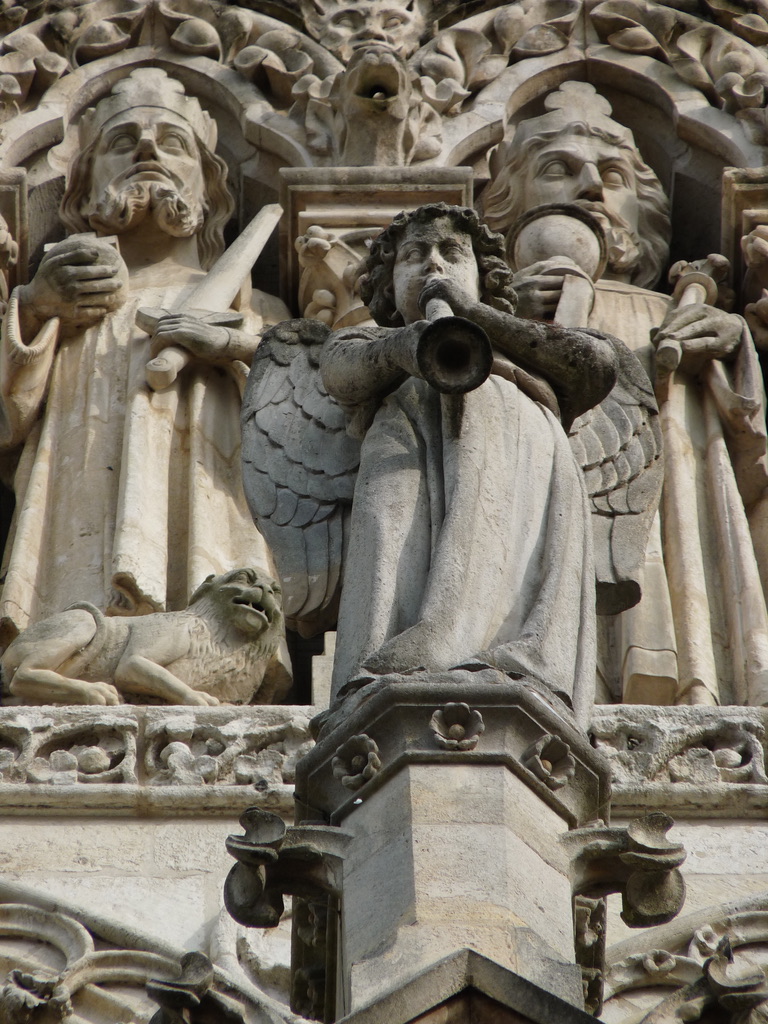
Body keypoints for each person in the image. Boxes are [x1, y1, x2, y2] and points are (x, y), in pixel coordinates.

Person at [481, 81, 768, 707]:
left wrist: (728, 347)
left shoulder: (659, 307)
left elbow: (743, 432)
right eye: (558, 170)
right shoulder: (478, 317)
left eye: (611, 175)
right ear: (507, 205)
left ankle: (689, 687)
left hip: (661, 482)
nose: (590, 189)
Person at [0, 67, 288, 644]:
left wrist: (230, 344)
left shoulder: (257, 305)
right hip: (76, 506)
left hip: (210, 500)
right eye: (122, 141)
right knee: (70, 625)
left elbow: (303, 416)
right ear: (81, 188)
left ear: (208, 187)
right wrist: (33, 307)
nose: (148, 149)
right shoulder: (55, 294)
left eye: (174, 142)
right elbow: (7, 420)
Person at [318, 203, 623, 725]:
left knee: (499, 543)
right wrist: (405, 344)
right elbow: (341, 374)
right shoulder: (367, 338)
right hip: (404, 446)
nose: (433, 265)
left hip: (515, 444)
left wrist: (474, 314)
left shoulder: (516, 337)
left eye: (451, 253)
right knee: (391, 544)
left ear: (484, 275)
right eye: (414, 255)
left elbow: (596, 365)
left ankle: (514, 666)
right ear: (387, 284)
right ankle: (391, 669)